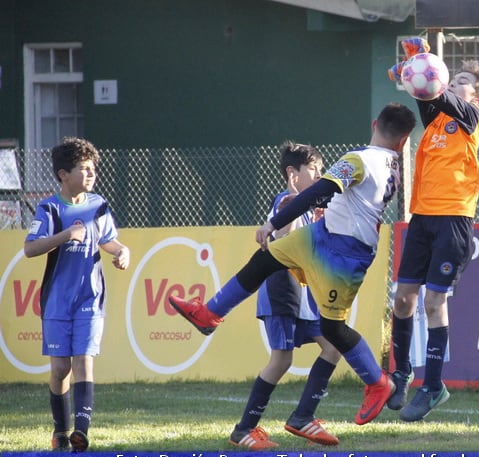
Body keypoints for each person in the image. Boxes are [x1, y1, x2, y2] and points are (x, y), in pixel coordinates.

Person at [169, 103, 417, 428]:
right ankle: (209, 313)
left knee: (333, 330)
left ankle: (377, 382)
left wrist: (274, 222)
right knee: (265, 260)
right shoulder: (394, 165)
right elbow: (338, 197)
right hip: (325, 236)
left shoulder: (358, 160)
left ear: (374, 124)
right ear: (402, 142)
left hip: (343, 253)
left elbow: (318, 192)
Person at [387, 37, 479, 422]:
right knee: (403, 299)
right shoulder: (436, 120)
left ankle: (433, 385)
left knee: (435, 304)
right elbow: (425, 92)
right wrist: (409, 69)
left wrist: (419, 61)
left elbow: (433, 88)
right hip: (421, 218)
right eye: (451, 80)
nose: (453, 84)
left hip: (454, 220)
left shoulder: (471, 118)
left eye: (461, 81)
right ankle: (400, 373)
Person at [228, 141, 342, 450]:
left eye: (321, 169)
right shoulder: (285, 201)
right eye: (313, 169)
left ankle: (304, 416)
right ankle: (244, 429)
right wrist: (294, 204)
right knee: (281, 360)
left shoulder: (310, 206)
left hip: (305, 295)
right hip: (282, 291)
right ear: (293, 174)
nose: (319, 174)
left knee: (332, 347)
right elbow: (277, 238)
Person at [24, 137, 130, 452]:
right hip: (57, 300)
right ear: (62, 175)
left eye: (92, 168)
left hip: (90, 297)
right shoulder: (49, 208)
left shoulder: (98, 204)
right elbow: (30, 249)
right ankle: (61, 429)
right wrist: (65, 235)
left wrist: (122, 251)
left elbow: (109, 240)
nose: (90, 173)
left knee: (84, 362)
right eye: (83, 169)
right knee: (60, 369)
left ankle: (80, 432)